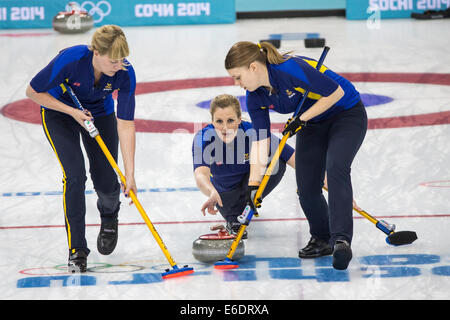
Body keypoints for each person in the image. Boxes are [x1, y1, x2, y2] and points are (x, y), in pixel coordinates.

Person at [225, 41, 368, 270]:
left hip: (346, 114)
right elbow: (261, 141)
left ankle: (341, 240)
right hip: (312, 121)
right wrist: (254, 183)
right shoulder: (255, 97)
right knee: (307, 185)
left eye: (237, 77)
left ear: (253, 67)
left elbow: (335, 93)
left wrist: (301, 119)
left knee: (335, 167)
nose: (237, 83)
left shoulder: (289, 69)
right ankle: (322, 238)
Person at [25, 25, 137, 273]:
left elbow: (126, 124)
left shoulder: (125, 73)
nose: (118, 65)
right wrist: (72, 112)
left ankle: (109, 217)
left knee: (107, 182)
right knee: (75, 175)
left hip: (100, 114)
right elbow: (33, 91)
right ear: (95, 51)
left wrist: (129, 172)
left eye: (122, 59)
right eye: (113, 60)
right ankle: (77, 249)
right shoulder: (72, 59)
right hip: (60, 112)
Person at [192, 94, 295, 238]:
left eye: (230, 121)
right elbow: (200, 174)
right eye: (219, 121)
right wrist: (211, 192)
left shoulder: (251, 131)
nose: (225, 128)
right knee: (237, 228)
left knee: (277, 162)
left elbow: (291, 156)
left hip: (251, 185)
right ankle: (234, 215)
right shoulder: (203, 138)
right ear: (212, 121)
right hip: (225, 195)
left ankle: (250, 201)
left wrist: (322, 180)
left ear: (239, 119)